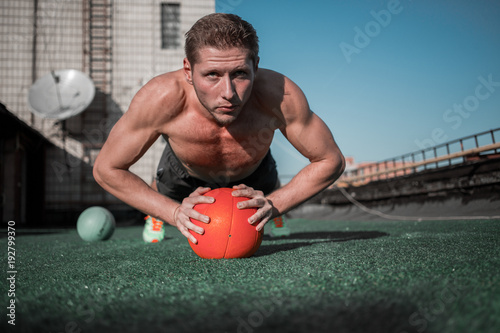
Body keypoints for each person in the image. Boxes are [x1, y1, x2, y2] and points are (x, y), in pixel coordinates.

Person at [93, 13, 345, 244]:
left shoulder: (280, 95)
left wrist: (275, 203)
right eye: (212, 74)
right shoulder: (160, 98)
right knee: (164, 189)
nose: (228, 93)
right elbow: (107, 169)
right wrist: (172, 211)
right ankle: (156, 214)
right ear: (188, 71)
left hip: (255, 175)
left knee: (270, 185)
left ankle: (273, 206)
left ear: (255, 66)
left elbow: (330, 160)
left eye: (240, 74)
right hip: (182, 175)